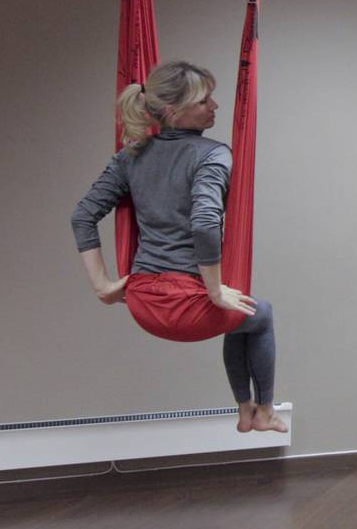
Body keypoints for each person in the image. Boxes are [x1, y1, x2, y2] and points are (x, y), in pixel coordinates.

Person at [70, 60, 286, 434]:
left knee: (241, 317)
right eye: (205, 101)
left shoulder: (130, 156)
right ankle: (262, 410)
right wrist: (215, 290)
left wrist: (103, 286)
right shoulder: (212, 154)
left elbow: (82, 216)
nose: (215, 107)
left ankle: (246, 411)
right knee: (258, 315)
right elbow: (204, 224)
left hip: (142, 304)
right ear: (175, 111)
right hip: (188, 309)